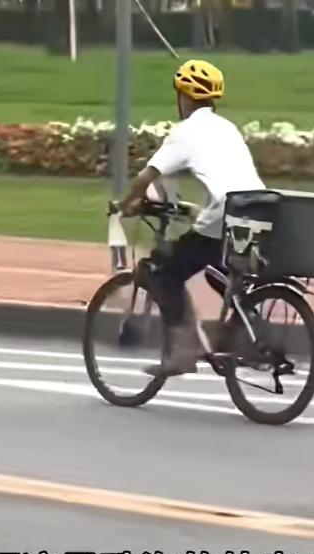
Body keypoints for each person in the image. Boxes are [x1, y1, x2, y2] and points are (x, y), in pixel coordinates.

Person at [118, 59, 265, 377]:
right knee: (221, 271)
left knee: (167, 273)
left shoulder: (185, 132)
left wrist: (125, 204)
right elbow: (226, 174)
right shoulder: (227, 127)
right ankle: (245, 329)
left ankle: (182, 354)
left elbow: (147, 176)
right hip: (257, 208)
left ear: (183, 96)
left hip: (225, 211)